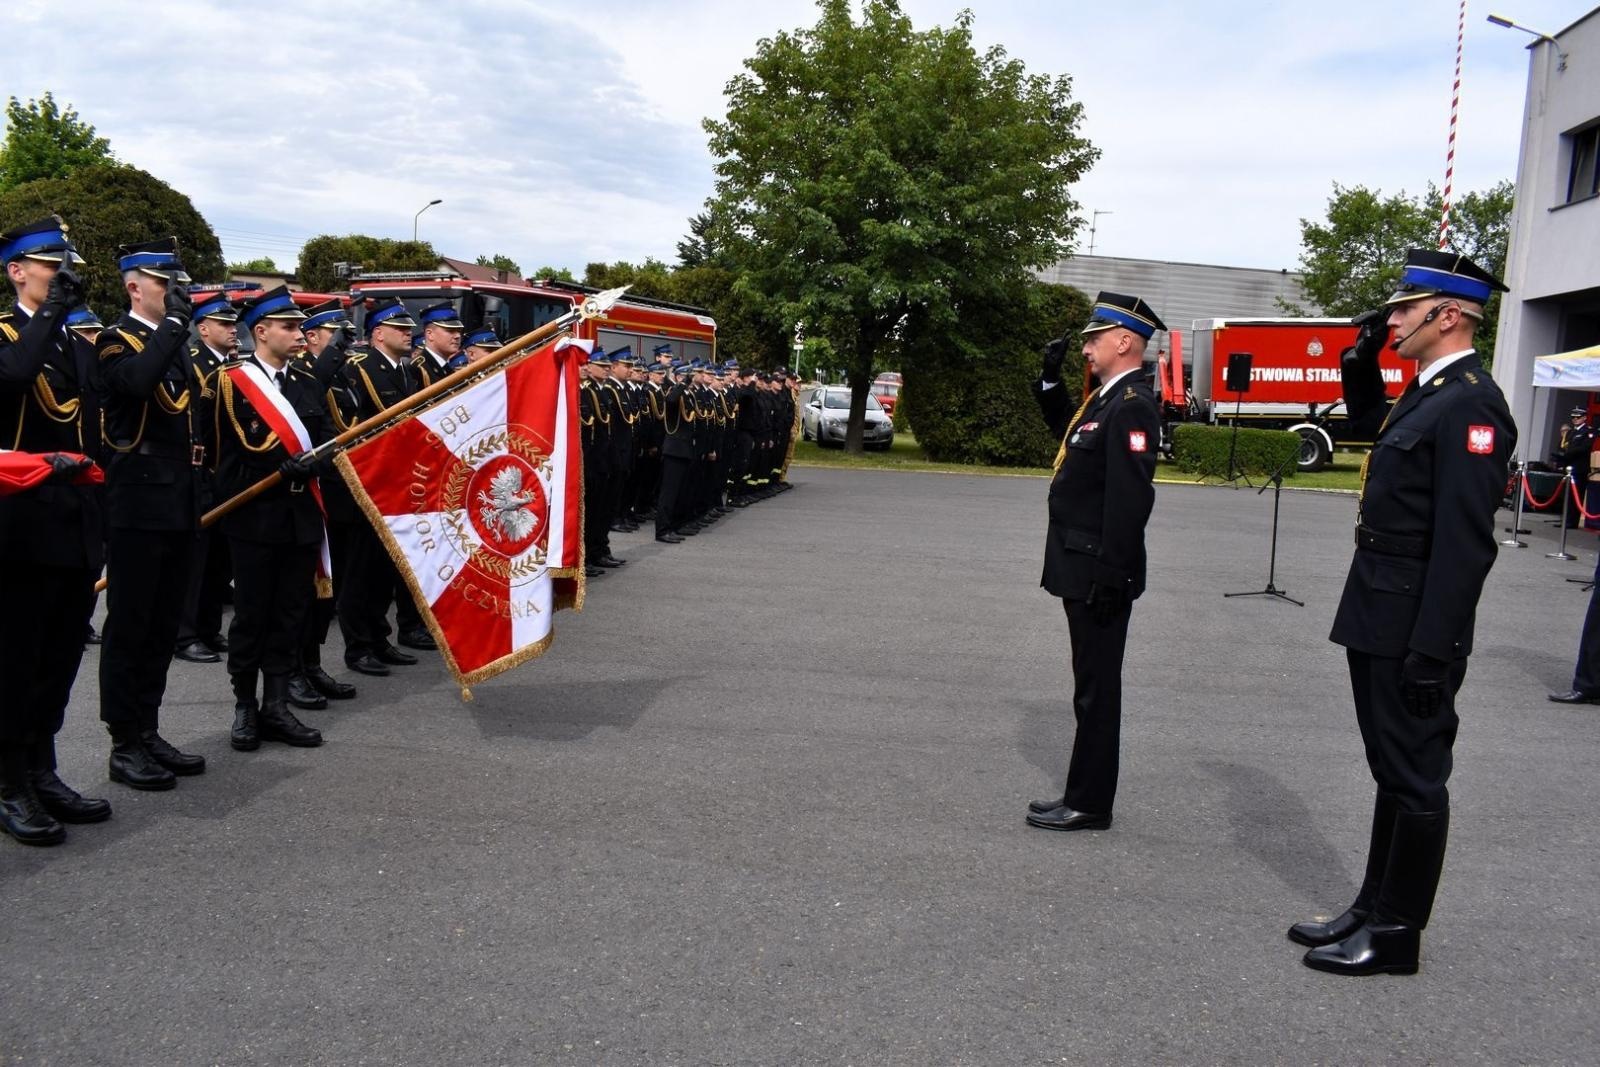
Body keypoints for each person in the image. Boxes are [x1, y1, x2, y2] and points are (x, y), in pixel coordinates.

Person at [1292, 249, 1515, 976]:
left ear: (1446, 314)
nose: (1391, 318)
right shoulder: (1427, 391)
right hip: (1381, 608)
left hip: (1415, 621)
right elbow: (1372, 438)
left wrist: (1436, 646)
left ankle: (1397, 933)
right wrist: (1359, 363)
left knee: (1416, 775)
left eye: (1403, 307)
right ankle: (1372, 904)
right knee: (1390, 767)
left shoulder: (1473, 402)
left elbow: (1462, 541)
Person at [1025, 292, 1163, 834]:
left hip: (1099, 572)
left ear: (1124, 340)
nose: (1085, 347)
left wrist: (1113, 575)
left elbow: (1130, 503)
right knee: (1089, 685)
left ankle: (1090, 802)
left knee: (1097, 690)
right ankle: (1081, 792)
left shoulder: (1131, 404)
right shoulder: (1106, 400)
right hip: (1084, 566)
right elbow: (1069, 430)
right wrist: (1048, 378)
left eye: (1093, 337)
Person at [0, 216, 111, 845]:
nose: (63, 274)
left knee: (60, 655)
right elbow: (14, 377)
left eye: (66, 264)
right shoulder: (10, 333)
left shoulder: (73, 342)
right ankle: (9, 779)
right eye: (50, 264)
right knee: (16, 658)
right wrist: (51, 316)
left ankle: (42, 769)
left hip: (73, 521)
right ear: (17, 270)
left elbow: (91, 429)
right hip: (19, 525)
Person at [96, 237, 209, 790]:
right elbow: (135, 387)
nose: (175, 292)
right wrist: (172, 329)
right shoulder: (114, 339)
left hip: (178, 498)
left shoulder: (174, 344)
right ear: (134, 286)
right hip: (138, 499)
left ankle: (148, 727)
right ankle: (123, 739)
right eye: (165, 283)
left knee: (163, 625)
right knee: (131, 625)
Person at [212, 287, 331, 750]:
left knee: (289, 613)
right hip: (255, 516)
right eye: (288, 326)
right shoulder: (231, 380)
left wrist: (312, 464)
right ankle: (245, 705)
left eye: (299, 326)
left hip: (300, 514)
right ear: (260, 331)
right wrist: (270, 471)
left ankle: (277, 706)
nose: (298, 334)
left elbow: (326, 440)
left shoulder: (304, 383)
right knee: (251, 615)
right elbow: (220, 455)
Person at [338, 298, 421, 675]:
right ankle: (358, 647)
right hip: (367, 481)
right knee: (360, 571)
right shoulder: (359, 368)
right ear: (377, 334)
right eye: (399, 328)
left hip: (397, 481)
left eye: (409, 328)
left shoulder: (408, 373)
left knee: (383, 570)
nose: (409, 333)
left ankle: (379, 637)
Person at [174, 293, 238, 664]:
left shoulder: (231, 364)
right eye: (224, 324)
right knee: (196, 561)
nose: (233, 330)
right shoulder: (194, 362)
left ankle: (209, 628)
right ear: (203, 328)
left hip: (223, 475)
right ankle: (185, 634)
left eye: (233, 324)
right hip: (199, 471)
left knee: (219, 560)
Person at [1549, 406, 1593, 528]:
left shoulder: (1588, 431)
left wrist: (1568, 453)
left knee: (1576, 496)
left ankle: (1572, 521)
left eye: (1578, 417)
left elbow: (1584, 448)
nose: (1575, 419)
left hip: (1579, 468)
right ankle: (1565, 519)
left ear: (1584, 417)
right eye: (1573, 417)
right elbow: (1563, 446)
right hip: (1569, 467)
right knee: (1567, 495)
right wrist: (1560, 456)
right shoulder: (1571, 432)